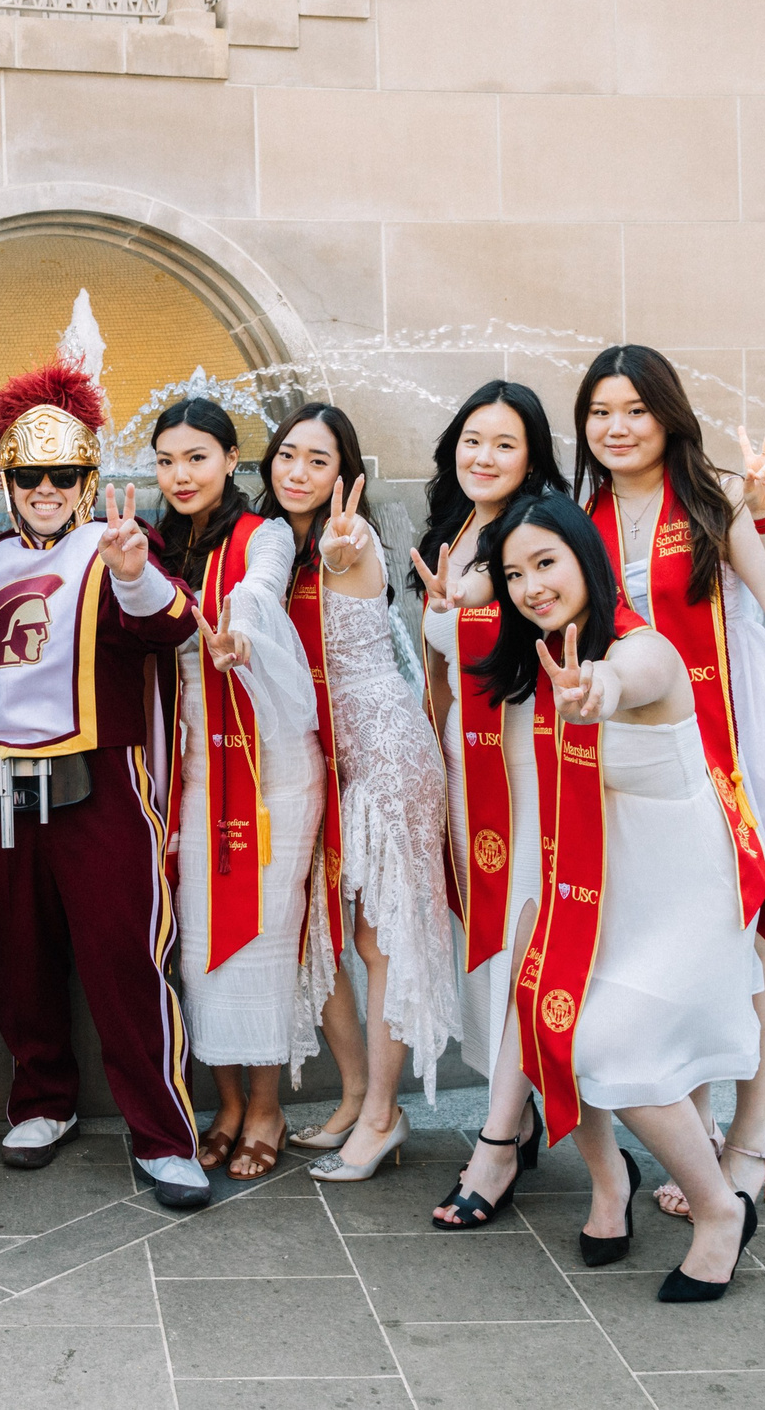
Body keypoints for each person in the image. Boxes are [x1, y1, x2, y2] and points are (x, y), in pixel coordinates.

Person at [472, 493, 764, 1301]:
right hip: (598, 886)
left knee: (607, 1045)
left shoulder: (644, 653)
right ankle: (610, 1181)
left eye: (547, 563)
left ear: (586, 562)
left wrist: (595, 688)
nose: (531, 585)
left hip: (682, 896)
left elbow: (624, 680)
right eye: (514, 573)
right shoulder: (541, 662)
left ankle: (718, 1210)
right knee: (543, 1009)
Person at [0, 360, 212, 1210]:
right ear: (9, 482)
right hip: (9, 784)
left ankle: (166, 1136)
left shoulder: (119, 546)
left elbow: (168, 626)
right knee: (21, 957)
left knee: (127, 958)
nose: (48, 488)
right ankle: (43, 1101)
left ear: (87, 478)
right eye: (30, 475)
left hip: (103, 779)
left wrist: (135, 567)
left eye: (63, 474)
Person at [571, 345, 765, 1220]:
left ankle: (750, 1142)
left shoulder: (712, 503)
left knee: (751, 941)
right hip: (636, 765)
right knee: (676, 945)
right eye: (601, 411)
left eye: (634, 409)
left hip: (731, 748)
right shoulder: (580, 515)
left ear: (667, 415)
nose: (616, 427)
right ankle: (702, 1127)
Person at [258, 404, 460, 1184]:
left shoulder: (345, 541)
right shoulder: (281, 543)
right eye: (286, 455)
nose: (297, 471)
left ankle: (383, 1115)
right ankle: (352, 1098)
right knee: (321, 933)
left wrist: (346, 547)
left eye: (317, 459)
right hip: (327, 758)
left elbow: (348, 580)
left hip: (382, 756)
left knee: (379, 941)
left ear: (345, 476)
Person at [153, 397, 326, 1184]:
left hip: (272, 769)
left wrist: (241, 637)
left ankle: (266, 1107)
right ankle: (224, 1103)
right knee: (200, 947)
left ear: (230, 459)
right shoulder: (157, 546)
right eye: (166, 460)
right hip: (194, 767)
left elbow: (261, 589)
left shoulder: (266, 536)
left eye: (197, 457)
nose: (181, 473)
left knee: (261, 940)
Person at [410, 381, 569, 1230]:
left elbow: (549, 629)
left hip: (524, 765)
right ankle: (526, 1107)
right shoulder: (457, 527)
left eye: (504, 443)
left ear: (534, 455)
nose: (484, 456)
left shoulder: (534, 533)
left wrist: (478, 606)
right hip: (465, 767)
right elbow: (438, 666)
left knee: (520, 946)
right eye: (473, 439)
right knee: (492, 942)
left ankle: (498, 1145)